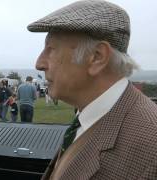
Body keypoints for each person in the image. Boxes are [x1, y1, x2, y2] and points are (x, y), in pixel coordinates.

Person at [28, 0, 157, 179]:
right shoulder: (87, 117)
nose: (39, 64)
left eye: (52, 49)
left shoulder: (151, 149)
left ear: (97, 57)